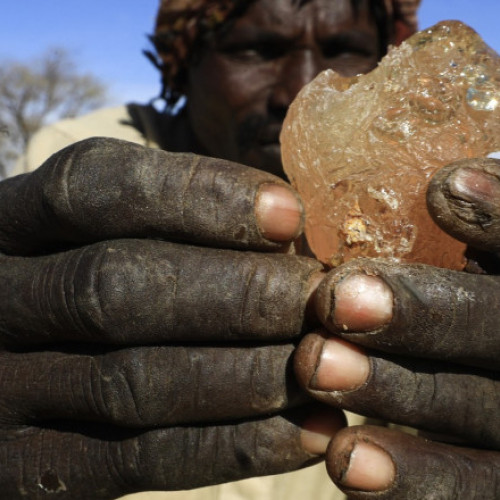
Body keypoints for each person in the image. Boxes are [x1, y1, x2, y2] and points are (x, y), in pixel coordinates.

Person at [2, 0, 500, 499]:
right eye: (258, 50)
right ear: (185, 63)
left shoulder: (443, 206)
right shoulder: (94, 165)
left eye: (344, 50)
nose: (298, 89)